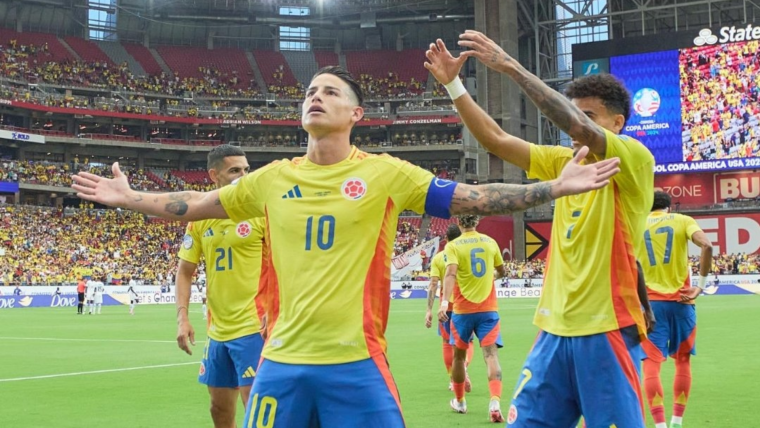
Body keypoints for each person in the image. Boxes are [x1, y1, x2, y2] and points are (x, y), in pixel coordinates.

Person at [72, 66, 621, 428]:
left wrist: (553, 187)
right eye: (310, 91)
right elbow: (193, 205)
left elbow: (473, 197)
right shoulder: (269, 179)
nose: (316, 96)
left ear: (357, 115)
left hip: (357, 363)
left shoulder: (385, 174)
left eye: (331, 91)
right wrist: (129, 197)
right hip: (280, 365)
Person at [425, 34, 654, 427]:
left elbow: (575, 125)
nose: (575, 125)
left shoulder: (632, 160)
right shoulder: (563, 162)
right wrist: (453, 85)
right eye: (576, 112)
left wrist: (511, 67)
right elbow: (495, 140)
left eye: (589, 115)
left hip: (607, 330)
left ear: (617, 123)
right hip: (552, 331)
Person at [175, 145, 267, 428]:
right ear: (214, 175)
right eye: (235, 170)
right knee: (218, 410)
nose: (243, 175)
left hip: (255, 327)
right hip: (218, 332)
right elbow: (185, 271)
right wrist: (183, 317)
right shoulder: (200, 219)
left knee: (256, 410)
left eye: (246, 170)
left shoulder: (262, 213)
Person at [638, 191, 713, 428]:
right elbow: (707, 245)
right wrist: (699, 286)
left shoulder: (635, 224)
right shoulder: (683, 220)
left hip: (650, 306)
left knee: (651, 365)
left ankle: (659, 425)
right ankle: (677, 421)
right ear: (669, 208)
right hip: (682, 302)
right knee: (683, 361)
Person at [438, 215, 508, 422]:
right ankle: (494, 402)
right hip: (488, 309)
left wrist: (443, 303)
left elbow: (450, 274)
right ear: (477, 222)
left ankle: (460, 402)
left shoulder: (454, 245)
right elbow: (501, 271)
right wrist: (492, 277)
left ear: (459, 223)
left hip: (462, 311)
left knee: (459, 357)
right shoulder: (490, 241)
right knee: (491, 356)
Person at [425, 223, 474, 393]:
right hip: (465, 303)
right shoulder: (465, 252)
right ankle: (464, 367)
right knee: (468, 341)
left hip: (446, 307)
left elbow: (433, 284)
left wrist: (429, 310)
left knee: (447, 342)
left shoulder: (438, 258)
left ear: (446, 239)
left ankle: (453, 378)